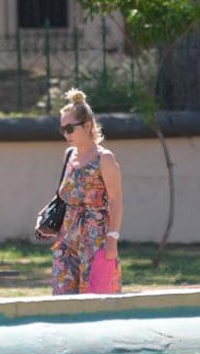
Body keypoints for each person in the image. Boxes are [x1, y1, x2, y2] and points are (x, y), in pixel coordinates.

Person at [38, 88, 123, 295]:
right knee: (62, 298)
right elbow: (65, 195)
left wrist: (112, 241)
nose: (66, 134)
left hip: (96, 240)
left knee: (97, 299)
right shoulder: (69, 155)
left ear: (87, 126)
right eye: (62, 129)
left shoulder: (105, 158)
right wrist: (44, 216)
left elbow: (116, 201)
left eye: (70, 129)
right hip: (66, 239)